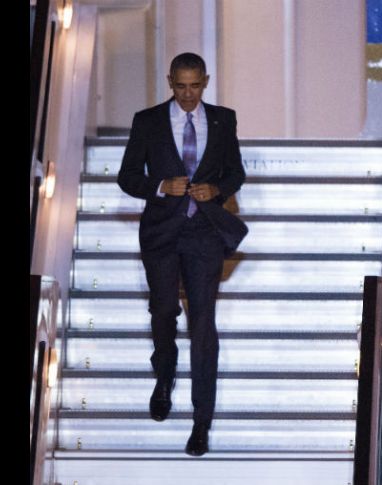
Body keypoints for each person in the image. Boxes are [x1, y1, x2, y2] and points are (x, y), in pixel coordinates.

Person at [118, 52, 245, 456]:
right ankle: (165, 374)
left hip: (204, 232)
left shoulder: (224, 119)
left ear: (205, 81)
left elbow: (235, 171)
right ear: (170, 81)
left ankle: (201, 421)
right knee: (162, 311)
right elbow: (127, 176)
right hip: (161, 233)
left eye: (196, 86)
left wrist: (218, 190)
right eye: (181, 86)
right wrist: (159, 186)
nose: (188, 95)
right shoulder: (147, 120)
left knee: (203, 324)